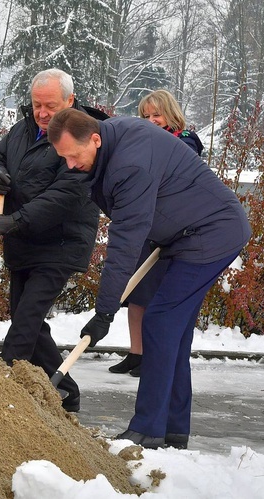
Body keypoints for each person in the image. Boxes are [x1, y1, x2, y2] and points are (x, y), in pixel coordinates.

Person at [47, 108, 250, 449]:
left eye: (74, 156)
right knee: (173, 333)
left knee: (158, 323)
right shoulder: (107, 145)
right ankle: (172, 429)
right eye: (63, 158)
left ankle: (147, 430)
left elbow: (125, 243)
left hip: (210, 233)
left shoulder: (130, 165)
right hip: (184, 234)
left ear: (95, 139)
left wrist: (105, 312)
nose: (70, 165)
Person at [0, 69, 100, 412]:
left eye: (50, 106)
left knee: (26, 317)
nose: (43, 113)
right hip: (24, 241)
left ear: (69, 102)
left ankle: (2, 382)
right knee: (24, 313)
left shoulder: (81, 136)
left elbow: (64, 195)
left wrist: (13, 220)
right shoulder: (23, 130)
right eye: (37, 105)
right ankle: (66, 389)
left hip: (60, 242)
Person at [109, 89, 205, 377]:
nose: (151, 120)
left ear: (171, 114)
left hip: (171, 231)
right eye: (146, 116)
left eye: (156, 115)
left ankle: (153, 357)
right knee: (136, 294)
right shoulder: (142, 141)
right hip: (145, 229)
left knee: (156, 297)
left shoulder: (186, 141)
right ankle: (135, 353)